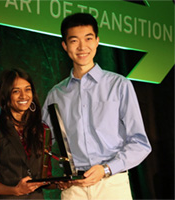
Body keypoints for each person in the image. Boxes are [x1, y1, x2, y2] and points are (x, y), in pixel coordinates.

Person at [41, 13, 152, 200]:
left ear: (97, 41)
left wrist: (107, 169)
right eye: (74, 40)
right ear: (65, 46)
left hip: (112, 184)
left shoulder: (119, 85)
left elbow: (140, 144)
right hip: (73, 187)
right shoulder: (56, 94)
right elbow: (42, 143)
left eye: (88, 39)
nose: (82, 47)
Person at [0, 68, 55, 199]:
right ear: (6, 95)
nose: (24, 96)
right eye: (16, 91)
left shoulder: (42, 130)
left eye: (27, 89)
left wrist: (61, 183)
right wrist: (16, 190)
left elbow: (45, 178)